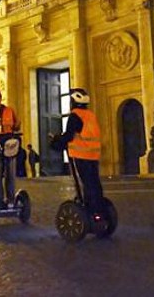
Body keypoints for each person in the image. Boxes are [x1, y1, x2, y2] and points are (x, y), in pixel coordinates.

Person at [49, 88, 105, 217]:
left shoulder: (75, 116)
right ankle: (98, 209)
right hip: (93, 155)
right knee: (94, 182)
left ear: (74, 101)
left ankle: (91, 211)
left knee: (86, 183)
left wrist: (56, 141)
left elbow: (69, 136)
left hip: (81, 155)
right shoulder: (90, 115)